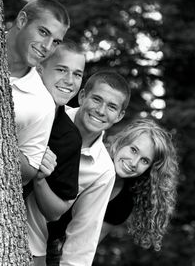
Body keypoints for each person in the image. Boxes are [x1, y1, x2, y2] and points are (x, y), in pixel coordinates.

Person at [41, 70, 131, 266]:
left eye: (112, 107)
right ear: (82, 96)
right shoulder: (49, 114)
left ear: (119, 115)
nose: (101, 110)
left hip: (43, 240)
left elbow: (84, 234)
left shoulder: (103, 170)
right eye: (97, 99)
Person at [25, 39, 86, 265]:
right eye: (61, 70)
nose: (69, 81)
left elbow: (56, 212)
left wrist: (41, 178)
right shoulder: (12, 101)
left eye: (77, 74)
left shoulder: (69, 137)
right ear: (40, 69)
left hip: (28, 243)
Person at [6, 0, 70, 185]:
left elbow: (29, 172)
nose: (47, 47)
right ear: (22, 20)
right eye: (43, 32)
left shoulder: (42, 103)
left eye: (56, 41)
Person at [99, 118, 179, 251]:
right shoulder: (90, 159)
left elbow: (86, 245)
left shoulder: (123, 202)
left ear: (149, 169)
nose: (134, 163)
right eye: (134, 150)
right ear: (122, 142)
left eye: (145, 161)